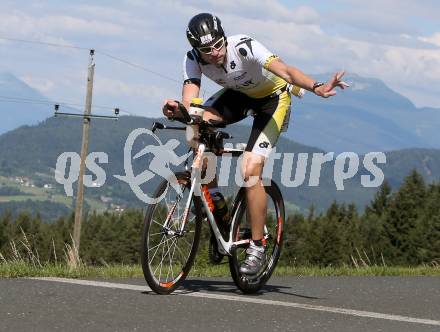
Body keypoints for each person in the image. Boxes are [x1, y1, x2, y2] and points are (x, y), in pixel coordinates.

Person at [163, 13, 348, 275]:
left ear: (224, 37)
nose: (215, 52)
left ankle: (258, 245)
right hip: (238, 97)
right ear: (196, 49)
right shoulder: (192, 59)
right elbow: (190, 98)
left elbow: (284, 70)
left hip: (272, 100)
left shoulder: (243, 46)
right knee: (195, 128)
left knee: (250, 170)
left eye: (218, 44)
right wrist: (178, 110)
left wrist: (316, 86)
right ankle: (219, 209)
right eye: (207, 49)